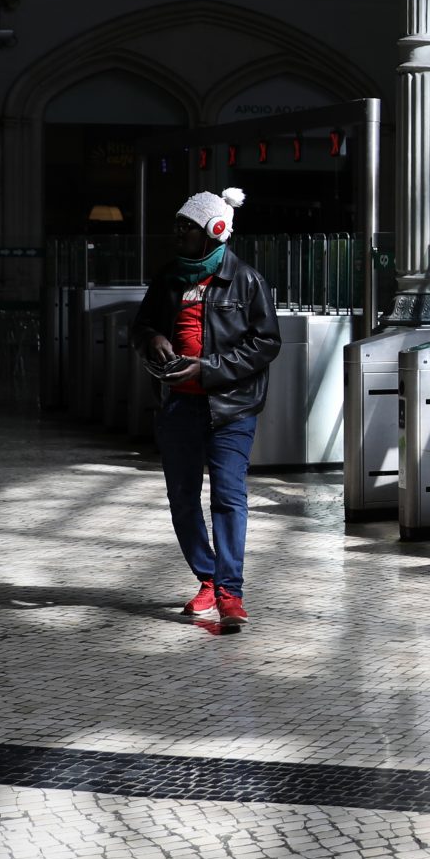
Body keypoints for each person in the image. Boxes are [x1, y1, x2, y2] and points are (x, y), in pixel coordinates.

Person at [133, 188, 279, 627]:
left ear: (215, 231)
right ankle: (209, 578)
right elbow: (142, 325)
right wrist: (153, 339)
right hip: (179, 406)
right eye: (177, 223)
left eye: (187, 226)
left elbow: (266, 342)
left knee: (228, 497)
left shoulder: (247, 281)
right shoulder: (169, 278)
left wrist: (207, 369)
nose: (177, 231)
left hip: (232, 408)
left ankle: (230, 592)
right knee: (181, 498)